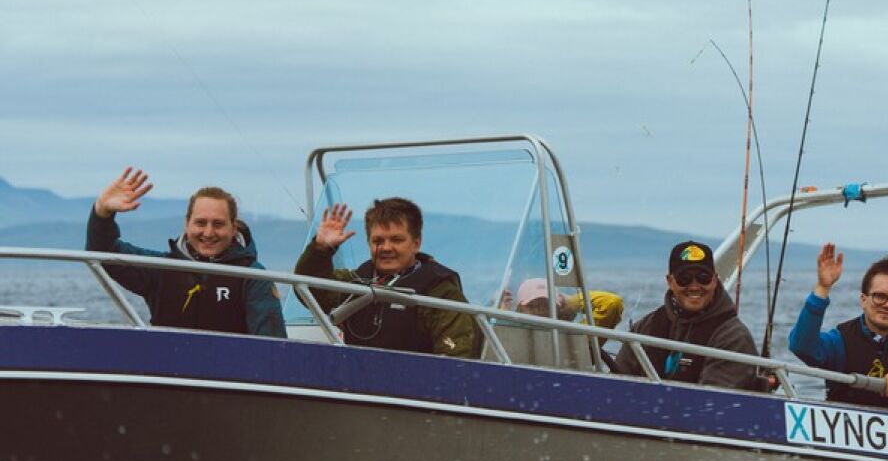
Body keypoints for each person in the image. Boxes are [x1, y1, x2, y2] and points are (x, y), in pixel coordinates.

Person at [85, 166, 285, 337]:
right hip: (167, 368)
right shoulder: (162, 269)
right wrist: (102, 212)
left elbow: (272, 348)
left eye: (218, 224)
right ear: (187, 224)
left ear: (233, 228)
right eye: (200, 223)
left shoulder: (254, 278)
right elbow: (103, 252)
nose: (208, 232)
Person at [294, 198, 478, 357]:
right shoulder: (356, 282)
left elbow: (457, 360)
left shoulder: (440, 293)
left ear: (416, 243)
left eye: (396, 240)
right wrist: (320, 250)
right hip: (356, 379)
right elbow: (309, 291)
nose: (386, 248)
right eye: (378, 241)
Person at [787, 243, 888, 411]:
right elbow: (802, 346)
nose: (887, 305)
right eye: (879, 296)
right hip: (842, 423)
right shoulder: (839, 341)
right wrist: (822, 288)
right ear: (863, 300)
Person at [612, 240, 761, 390]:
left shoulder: (734, 337)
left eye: (703, 278)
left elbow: (713, 400)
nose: (694, 287)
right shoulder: (645, 327)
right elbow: (616, 384)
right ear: (670, 281)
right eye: (684, 279)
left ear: (715, 280)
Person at [504, 278, 625, 329]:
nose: (540, 311)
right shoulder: (509, 334)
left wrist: (572, 302)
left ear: (559, 309)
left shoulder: (576, 339)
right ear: (519, 309)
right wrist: (503, 315)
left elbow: (611, 303)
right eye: (533, 305)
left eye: (547, 305)